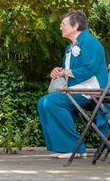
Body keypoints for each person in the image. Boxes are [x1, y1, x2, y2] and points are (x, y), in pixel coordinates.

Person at [37, 10, 108, 159]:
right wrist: (58, 71)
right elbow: (70, 70)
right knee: (42, 102)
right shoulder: (69, 47)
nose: (60, 28)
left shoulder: (91, 42)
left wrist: (65, 72)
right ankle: (61, 147)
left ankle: (74, 148)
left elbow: (89, 69)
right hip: (76, 89)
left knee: (52, 101)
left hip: (93, 90)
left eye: (63, 24)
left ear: (75, 26)